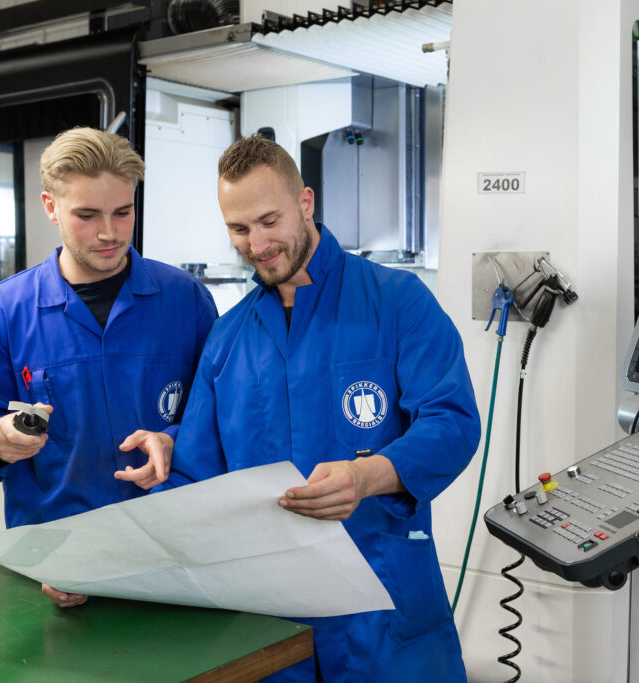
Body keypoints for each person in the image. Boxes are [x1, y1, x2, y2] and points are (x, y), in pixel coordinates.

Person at [157, 136, 480, 681]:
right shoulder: (227, 339)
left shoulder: (397, 302)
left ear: (305, 203)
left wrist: (366, 475)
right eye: (239, 229)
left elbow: (452, 422)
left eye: (269, 220)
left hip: (383, 614)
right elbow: (196, 479)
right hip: (268, 628)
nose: (256, 244)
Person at [0, 127, 217, 607]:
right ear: (50, 206)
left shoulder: (185, 301)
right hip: (56, 569)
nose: (109, 232)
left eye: (123, 212)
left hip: (175, 562)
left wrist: (176, 438)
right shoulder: (4, 312)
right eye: (87, 215)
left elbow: (225, 412)